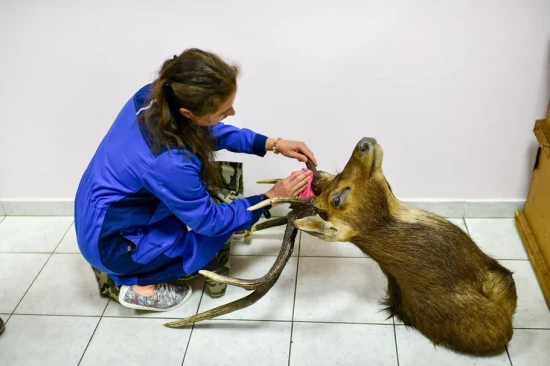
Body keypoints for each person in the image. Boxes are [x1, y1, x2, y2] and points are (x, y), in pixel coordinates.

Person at [74, 48, 317, 312]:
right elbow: (210, 222)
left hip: (97, 209)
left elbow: (209, 131)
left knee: (202, 208)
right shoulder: (168, 162)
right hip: (112, 243)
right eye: (224, 111)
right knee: (205, 243)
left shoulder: (153, 95)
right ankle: (138, 286)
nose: (232, 112)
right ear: (187, 113)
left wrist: (272, 143)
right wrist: (268, 199)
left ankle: (138, 261)